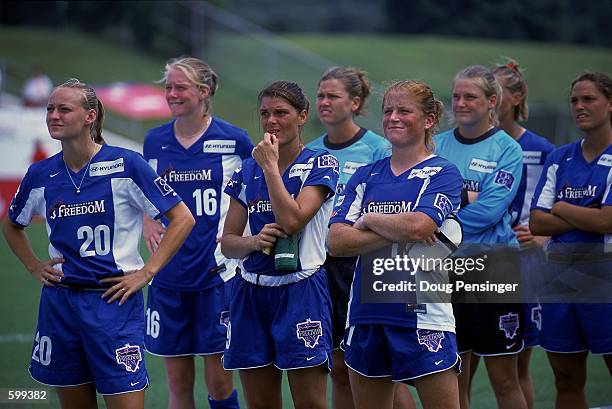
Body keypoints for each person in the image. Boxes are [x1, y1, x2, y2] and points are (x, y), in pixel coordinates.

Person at [2, 78, 194, 409]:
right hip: (61, 306)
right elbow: (11, 224)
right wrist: (33, 265)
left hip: (114, 304)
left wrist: (147, 271)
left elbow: (183, 218)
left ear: (90, 116)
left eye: (64, 109)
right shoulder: (40, 174)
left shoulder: (127, 164)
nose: (53, 116)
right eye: (50, 109)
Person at [328, 79, 463, 409]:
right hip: (366, 313)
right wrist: (401, 227)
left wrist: (370, 219)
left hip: (424, 315)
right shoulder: (365, 174)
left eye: (405, 110)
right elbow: (336, 242)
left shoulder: (443, 173)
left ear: (429, 120)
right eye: (388, 111)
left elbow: (420, 227)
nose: (393, 118)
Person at [142, 57, 252, 409]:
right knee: (177, 384)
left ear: (203, 92)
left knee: (219, 383)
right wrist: (146, 218)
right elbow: (143, 192)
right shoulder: (154, 141)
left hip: (217, 275)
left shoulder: (234, 140)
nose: (172, 94)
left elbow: (257, 189)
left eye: (180, 87)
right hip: (168, 274)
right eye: (168, 87)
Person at [221, 80, 339, 409]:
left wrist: (271, 168)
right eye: (265, 114)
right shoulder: (245, 170)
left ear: (302, 116)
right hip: (250, 292)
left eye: (281, 113)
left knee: (311, 402)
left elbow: (292, 221)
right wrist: (253, 241)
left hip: (301, 290)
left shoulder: (321, 164)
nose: (271, 121)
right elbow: (228, 243)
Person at [307, 66, 415, 409]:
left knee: (382, 370)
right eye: (321, 95)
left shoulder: (378, 148)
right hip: (322, 266)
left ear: (355, 102)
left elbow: (396, 206)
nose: (324, 102)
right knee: (339, 367)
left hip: (368, 265)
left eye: (332, 96)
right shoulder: (310, 151)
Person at [434, 66, 526, 409]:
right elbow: (424, 203)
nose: (460, 103)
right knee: (454, 373)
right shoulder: (437, 145)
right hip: (446, 270)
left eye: (469, 96)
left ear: (491, 101)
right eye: (456, 96)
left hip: (494, 269)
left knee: (504, 378)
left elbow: (489, 211)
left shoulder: (507, 149)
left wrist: (441, 217)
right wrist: (463, 201)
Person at [530, 71, 612, 409]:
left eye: (588, 99)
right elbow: (537, 221)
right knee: (566, 379)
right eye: (574, 100)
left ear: (610, 104)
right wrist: (583, 212)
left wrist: (560, 207)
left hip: (604, 278)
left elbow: (607, 220)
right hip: (560, 278)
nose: (579, 106)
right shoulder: (559, 158)